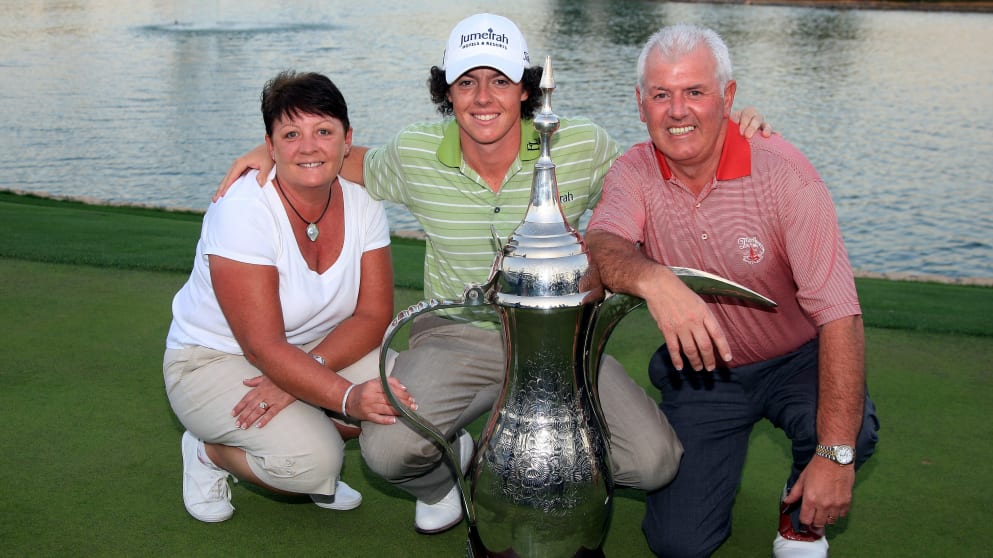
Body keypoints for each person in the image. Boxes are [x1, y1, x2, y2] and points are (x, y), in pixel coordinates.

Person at [217, 13, 772, 535]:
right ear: (448, 92)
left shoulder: (582, 145)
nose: (483, 98)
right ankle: (450, 478)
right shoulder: (415, 153)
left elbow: (666, 156)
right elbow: (331, 155)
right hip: (455, 335)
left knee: (654, 462)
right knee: (388, 453)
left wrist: (731, 125)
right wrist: (269, 151)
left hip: (559, 341)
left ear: (525, 88)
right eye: (467, 82)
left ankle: (515, 462)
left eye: (500, 81)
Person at [585, 24, 879, 557]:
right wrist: (654, 278)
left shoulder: (786, 174)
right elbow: (602, 244)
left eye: (695, 92)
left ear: (728, 96)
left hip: (797, 357)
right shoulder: (632, 170)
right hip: (705, 369)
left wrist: (835, 457)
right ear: (640, 102)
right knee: (678, 544)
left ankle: (800, 523)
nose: (677, 111)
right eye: (661, 94)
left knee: (847, 436)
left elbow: (840, 315)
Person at [163, 71, 414, 523]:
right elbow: (262, 346)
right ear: (270, 145)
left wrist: (309, 374)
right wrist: (344, 398)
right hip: (218, 359)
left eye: (324, 131)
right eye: (291, 134)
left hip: (314, 347)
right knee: (310, 464)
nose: (309, 146)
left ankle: (306, 416)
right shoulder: (243, 209)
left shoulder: (362, 198)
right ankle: (208, 453)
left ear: (347, 138)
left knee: (411, 397)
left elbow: (374, 315)